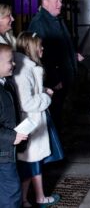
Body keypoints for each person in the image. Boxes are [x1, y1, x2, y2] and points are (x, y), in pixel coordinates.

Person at [13, 32, 63, 207]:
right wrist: (45, 96)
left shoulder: (27, 66)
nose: (42, 48)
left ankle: (26, 199)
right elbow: (27, 102)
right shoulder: (23, 71)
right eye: (39, 46)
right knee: (32, 164)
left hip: (35, 121)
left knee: (32, 164)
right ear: (30, 48)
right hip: (31, 123)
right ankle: (38, 198)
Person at [28, 0, 83, 131]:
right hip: (54, 80)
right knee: (53, 116)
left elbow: (61, 45)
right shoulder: (39, 22)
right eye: (57, 1)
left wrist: (73, 54)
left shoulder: (56, 18)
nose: (61, 4)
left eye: (60, 1)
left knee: (60, 114)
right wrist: (54, 79)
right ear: (45, 3)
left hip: (64, 76)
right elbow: (41, 56)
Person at [0, 43, 28, 207]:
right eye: (10, 61)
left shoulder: (6, 83)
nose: (14, 64)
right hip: (3, 154)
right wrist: (12, 136)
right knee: (11, 195)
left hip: (6, 151)